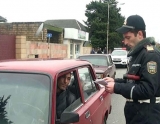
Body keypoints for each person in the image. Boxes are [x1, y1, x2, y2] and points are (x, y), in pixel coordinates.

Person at [104, 15, 160, 124]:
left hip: (147, 116)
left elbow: (147, 89)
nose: (124, 42)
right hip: (137, 113)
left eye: (128, 37)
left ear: (139, 34)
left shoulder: (150, 55)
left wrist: (116, 87)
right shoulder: (137, 54)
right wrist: (114, 81)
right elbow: (132, 81)